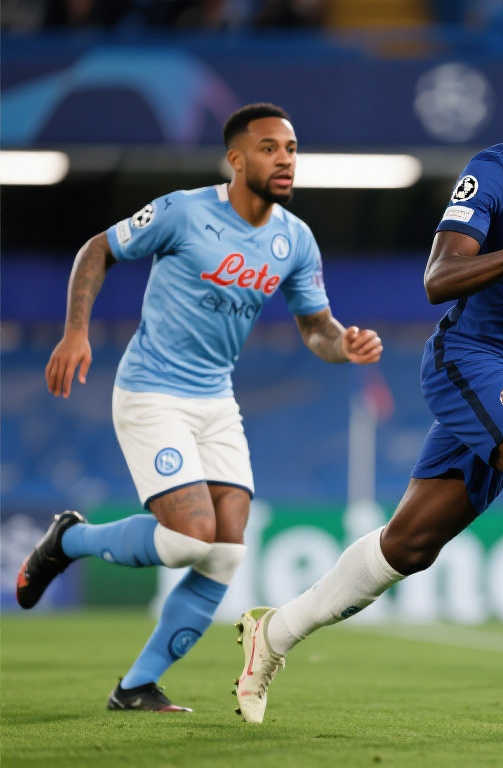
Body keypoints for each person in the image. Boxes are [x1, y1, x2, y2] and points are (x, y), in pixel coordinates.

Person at [234, 55, 503, 728]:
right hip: (469, 360)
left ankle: (273, 633)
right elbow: (438, 278)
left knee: (409, 546)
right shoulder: (493, 173)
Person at [16, 103, 383, 712]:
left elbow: (316, 328)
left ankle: (136, 686)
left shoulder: (295, 239)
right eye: (269, 148)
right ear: (236, 159)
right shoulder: (183, 212)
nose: (285, 160)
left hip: (215, 399)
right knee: (191, 538)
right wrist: (75, 331)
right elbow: (96, 250)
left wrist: (344, 345)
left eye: (291, 149)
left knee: (226, 551)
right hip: (151, 391)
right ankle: (71, 540)